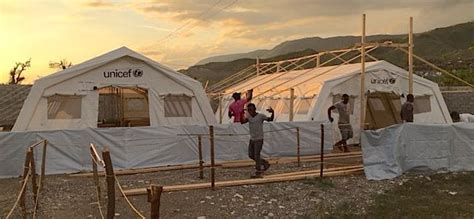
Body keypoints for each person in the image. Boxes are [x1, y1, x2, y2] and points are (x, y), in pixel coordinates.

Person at [240, 103, 274, 178]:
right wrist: (241, 114)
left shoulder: (260, 116)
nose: (250, 111)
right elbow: (242, 122)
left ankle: (258, 170)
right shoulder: (249, 117)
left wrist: (272, 112)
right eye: (248, 110)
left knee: (256, 154)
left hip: (259, 138)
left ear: (254, 109)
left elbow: (270, 119)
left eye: (251, 110)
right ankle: (264, 163)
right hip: (252, 138)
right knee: (251, 155)